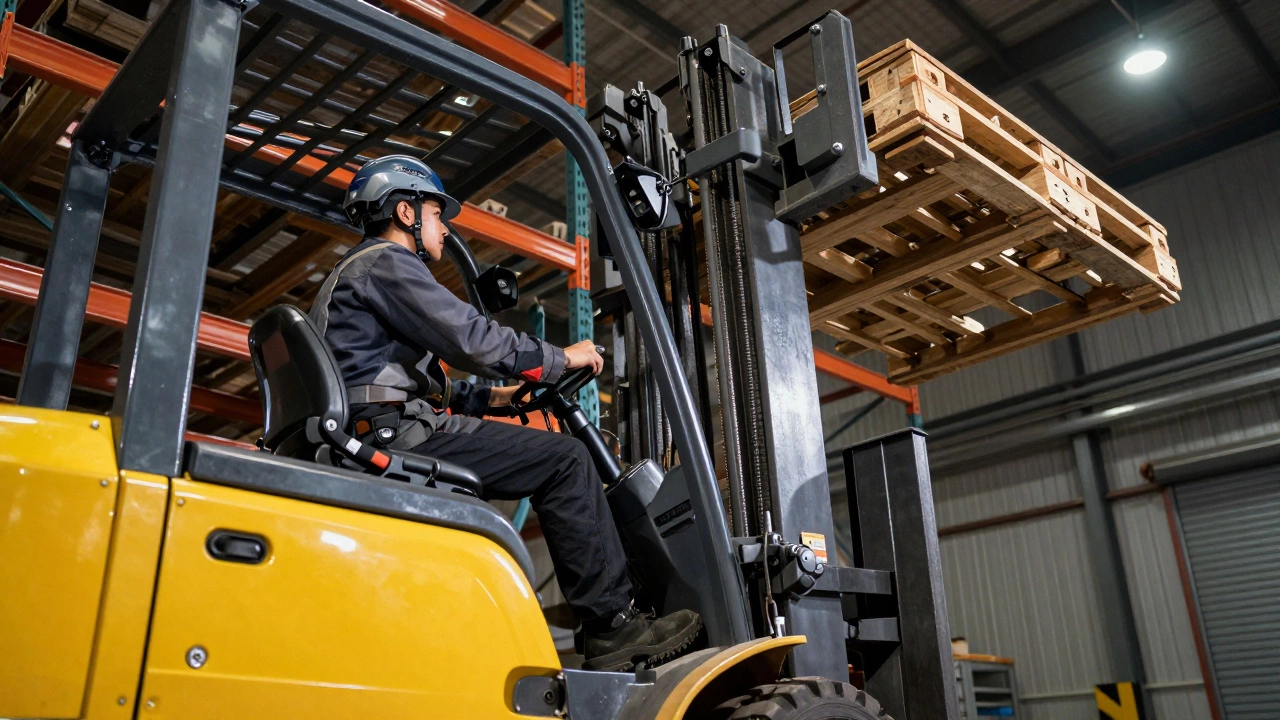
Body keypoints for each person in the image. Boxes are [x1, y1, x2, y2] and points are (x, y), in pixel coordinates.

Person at [310, 155, 701, 671]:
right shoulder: (386, 263)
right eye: (435, 214)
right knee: (567, 460)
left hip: (383, 426)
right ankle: (612, 627)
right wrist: (561, 358)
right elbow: (472, 338)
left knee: (553, 455)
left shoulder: (358, 275)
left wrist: (498, 398)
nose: (443, 230)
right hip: (394, 435)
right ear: (406, 212)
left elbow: (418, 385)